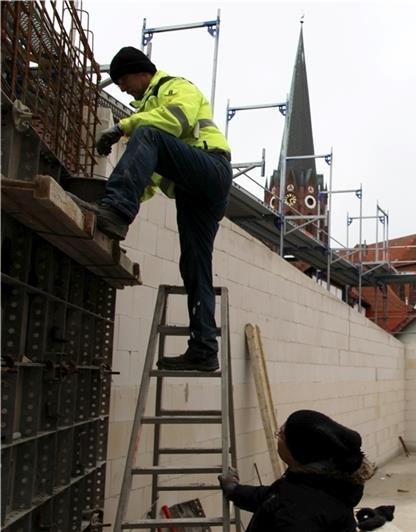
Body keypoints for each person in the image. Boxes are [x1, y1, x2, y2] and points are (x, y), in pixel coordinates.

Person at [79, 46, 232, 371]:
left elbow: (176, 122)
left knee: (147, 133)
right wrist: (112, 197)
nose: (122, 88)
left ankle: (117, 213)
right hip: (193, 191)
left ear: (142, 71)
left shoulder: (176, 87)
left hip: (211, 169)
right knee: (194, 264)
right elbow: (145, 180)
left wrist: (123, 127)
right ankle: (204, 348)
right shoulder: (148, 120)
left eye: (123, 80)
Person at [218, 410, 375, 532]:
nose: (278, 436)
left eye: (281, 434)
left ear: (299, 452)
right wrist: (235, 490)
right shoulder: (318, 482)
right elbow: (272, 497)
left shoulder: (299, 514)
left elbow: (283, 503)